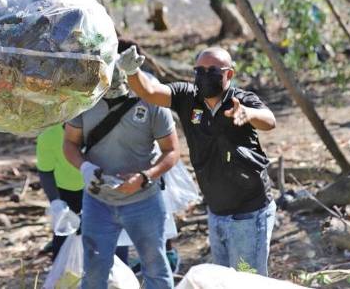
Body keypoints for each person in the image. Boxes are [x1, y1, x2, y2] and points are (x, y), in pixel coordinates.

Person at [118, 45, 277, 276]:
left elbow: (269, 120)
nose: (204, 76)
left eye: (212, 71)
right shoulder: (187, 97)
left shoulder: (241, 100)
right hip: (216, 211)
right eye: (199, 70)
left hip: (249, 214)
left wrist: (249, 114)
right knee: (223, 281)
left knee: (247, 281)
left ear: (229, 74)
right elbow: (150, 91)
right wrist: (132, 71)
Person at [63, 60, 180, 289]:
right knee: (95, 271)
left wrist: (146, 176)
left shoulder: (150, 99)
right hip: (98, 201)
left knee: (155, 267)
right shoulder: (84, 99)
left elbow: (172, 151)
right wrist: (85, 168)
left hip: (144, 201)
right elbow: (70, 143)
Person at [36, 124, 128, 263]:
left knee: (113, 233)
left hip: (102, 186)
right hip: (68, 191)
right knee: (64, 237)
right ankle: (63, 277)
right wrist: (55, 201)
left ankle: (120, 274)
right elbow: (45, 171)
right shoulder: (49, 135)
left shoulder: (101, 126)